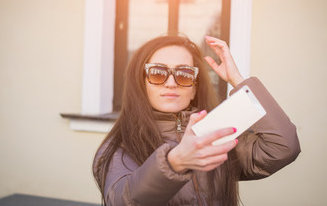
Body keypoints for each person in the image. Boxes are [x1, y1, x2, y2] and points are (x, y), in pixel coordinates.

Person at [93, 35, 301, 206]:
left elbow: (282, 148)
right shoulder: (119, 146)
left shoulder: (214, 134)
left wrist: (237, 81)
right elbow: (121, 201)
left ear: (193, 88)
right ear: (141, 83)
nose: (171, 83)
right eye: (158, 73)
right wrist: (173, 163)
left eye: (184, 74)